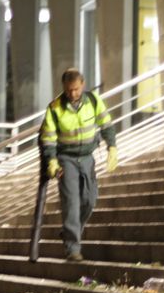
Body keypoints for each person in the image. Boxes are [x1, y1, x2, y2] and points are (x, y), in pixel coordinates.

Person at [39, 68, 118, 262]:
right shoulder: (55, 108)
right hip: (66, 159)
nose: (72, 94)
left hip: (87, 157)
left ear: (82, 85)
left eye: (75, 89)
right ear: (63, 88)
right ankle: (73, 249)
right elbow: (48, 139)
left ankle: (69, 233)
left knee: (90, 200)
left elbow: (106, 124)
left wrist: (112, 147)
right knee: (72, 203)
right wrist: (52, 162)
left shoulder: (93, 101)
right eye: (68, 90)